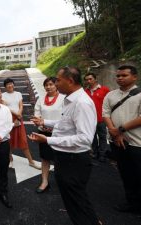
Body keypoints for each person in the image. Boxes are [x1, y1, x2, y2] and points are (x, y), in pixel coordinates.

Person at [29, 66, 101, 225]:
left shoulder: (81, 103)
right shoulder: (71, 100)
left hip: (73, 161)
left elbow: (84, 139)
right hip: (66, 158)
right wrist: (44, 121)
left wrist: (48, 140)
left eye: (58, 80)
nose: (55, 83)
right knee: (74, 203)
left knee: (78, 203)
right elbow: (65, 124)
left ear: (70, 81)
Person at [102, 65, 141, 215]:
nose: (120, 78)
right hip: (116, 141)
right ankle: (131, 203)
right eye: (118, 76)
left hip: (136, 143)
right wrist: (115, 133)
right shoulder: (110, 95)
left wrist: (119, 130)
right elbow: (105, 113)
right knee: (125, 173)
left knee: (139, 174)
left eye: (124, 75)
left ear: (134, 77)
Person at [33, 77, 65, 193]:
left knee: (60, 158)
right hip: (44, 133)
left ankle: (62, 182)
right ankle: (45, 181)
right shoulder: (41, 99)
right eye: (46, 85)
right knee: (45, 158)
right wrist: (40, 124)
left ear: (56, 85)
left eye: (51, 84)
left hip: (59, 133)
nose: (48, 87)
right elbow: (36, 114)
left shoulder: (63, 99)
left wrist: (52, 125)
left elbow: (66, 117)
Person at [2, 78, 40, 170]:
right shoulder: (3, 95)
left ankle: (31, 162)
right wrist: (17, 114)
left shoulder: (18, 94)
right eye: (8, 84)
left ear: (13, 84)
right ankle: (10, 159)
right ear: (5, 86)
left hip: (18, 118)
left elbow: (21, 105)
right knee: (9, 141)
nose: (10, 85)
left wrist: (19, 114)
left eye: (11, 83)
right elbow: (5, 108)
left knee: (23, 140)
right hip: (9, 119)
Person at [84, 72, 110, 162]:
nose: (88, 81)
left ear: (95, 79)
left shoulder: (105, 90)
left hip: (101, 119)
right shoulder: (85, 92)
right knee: (92, 137)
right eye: (87, 79)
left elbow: (109, 104)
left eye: (90, 79)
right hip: (89, 120)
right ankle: (95, 153)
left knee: (102, 137)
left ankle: (102, 154)